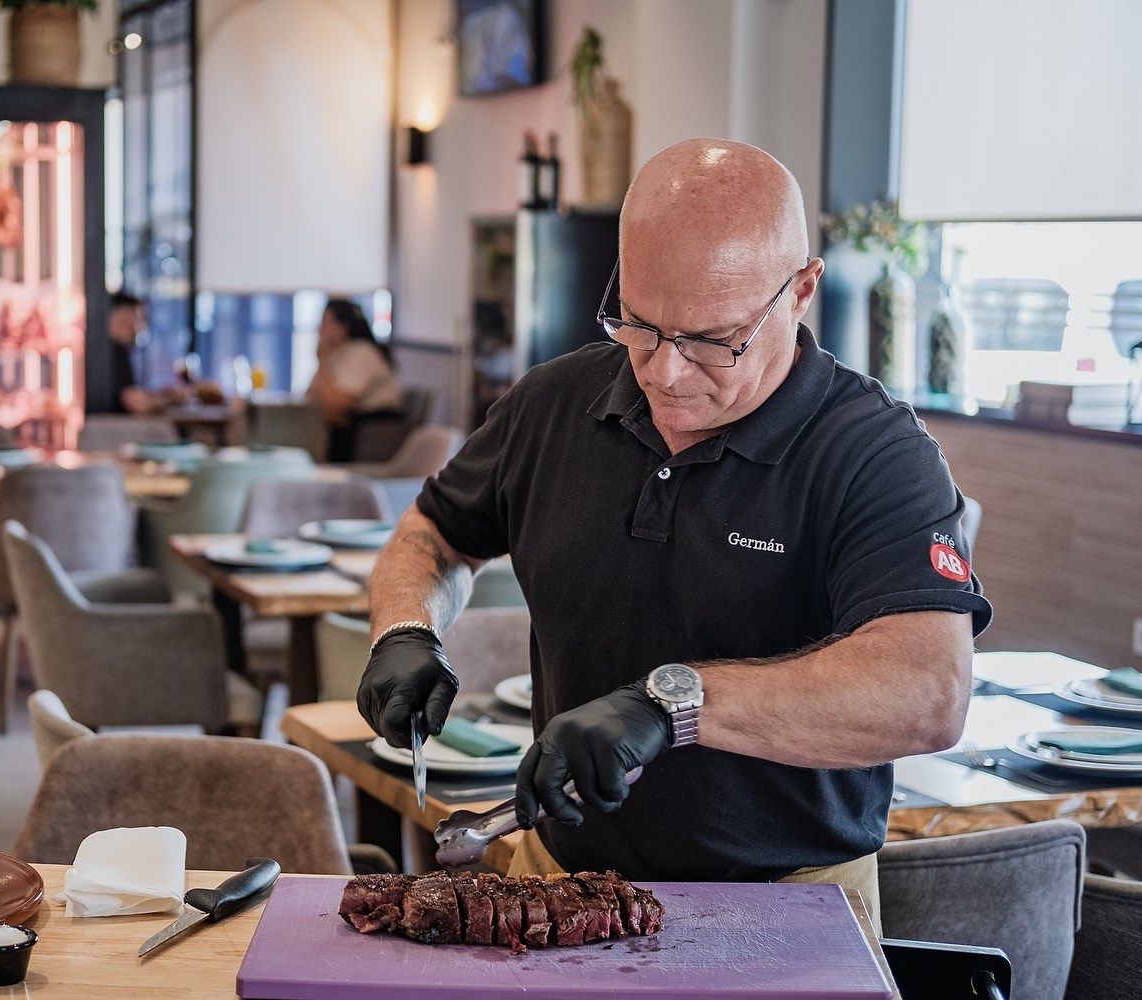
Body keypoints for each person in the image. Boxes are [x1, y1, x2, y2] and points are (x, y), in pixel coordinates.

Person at [355, 138, 990, 926]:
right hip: (559, 880)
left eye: (712, 339)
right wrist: (406, 628)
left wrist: (674, 705)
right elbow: (434, 535)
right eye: (641, 324)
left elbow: (929, 692)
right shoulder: (552, 405)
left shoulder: (875, 452)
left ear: (800, 291)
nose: (664, 371)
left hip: (793, 906)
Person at [304, 299, 402, 461]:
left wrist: (321, 359)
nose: (319, 330)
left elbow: (336, 404)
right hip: (351, 431)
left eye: (324, 323)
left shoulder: (362, 352)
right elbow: (310, 396)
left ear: (342, 327)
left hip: (370, 434)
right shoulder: (336, 354)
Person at [109, 291, 182, 416]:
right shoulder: (116, 352)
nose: (142, 328)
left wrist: (167, 394)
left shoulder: (109, 352)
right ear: (123, 321)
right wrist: (173, 399)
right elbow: (135, 403)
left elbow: (129, 393)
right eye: (139, 320)